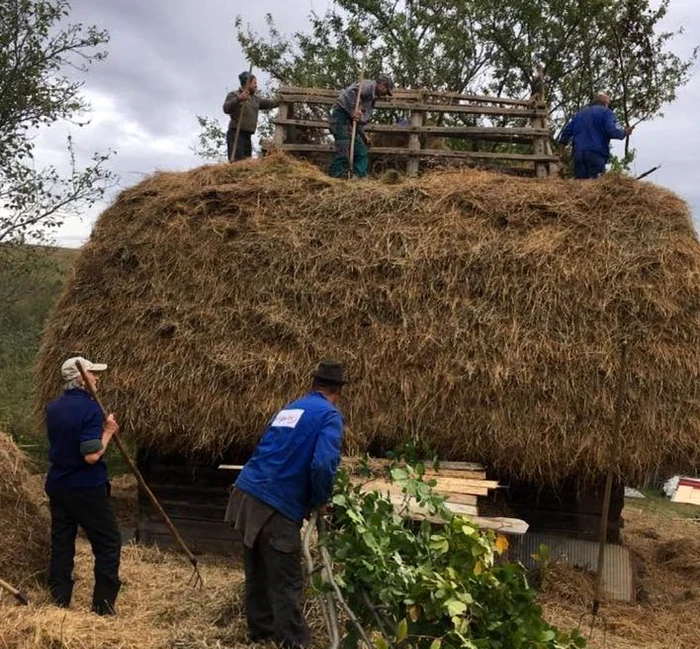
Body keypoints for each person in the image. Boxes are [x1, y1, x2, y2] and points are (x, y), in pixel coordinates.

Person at [225, 360, 346, 648]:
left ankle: (261, 632)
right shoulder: (330, 415)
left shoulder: (290, 409)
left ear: (314, 384)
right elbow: (324, 463)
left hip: (246, 493)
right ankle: (295, 642)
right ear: (337, 391)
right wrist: (320, 499)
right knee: (287, 579)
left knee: (258, 571)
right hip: (274, 504)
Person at [44, 356, 121, 615]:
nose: (97, 378)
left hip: (58, 484)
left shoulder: (53, 408)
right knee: (108, 542)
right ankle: (103, 607)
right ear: (80, 379)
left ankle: (59, 601)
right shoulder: (90, 409)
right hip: (86, 487)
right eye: (92, 374)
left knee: (63, 543)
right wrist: (108, 431)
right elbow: (91, 456)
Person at [329, 73, 395, 178]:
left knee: (361, 152)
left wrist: (364, 136)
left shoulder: (371, 97)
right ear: (382, 85)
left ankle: (357, 176)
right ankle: (336, 177)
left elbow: (357, 119)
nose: (385, 94)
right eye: (386, 91)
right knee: (343, 149)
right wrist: (353, 110)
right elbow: (351, 92)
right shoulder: (368, 86)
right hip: (340, 118)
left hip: (350, 123)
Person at [558, 92, 633, 179]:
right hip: (596, 153)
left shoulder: (580, 114)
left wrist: (561, 153)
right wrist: (624, 132)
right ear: (606, 104)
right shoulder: (607, 113)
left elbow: (566, 132)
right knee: (596, 186)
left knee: (580, 186)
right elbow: (612, 131)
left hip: (578, 154)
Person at [222, 71, 280, 162]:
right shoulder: (234, 95)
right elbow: (226, 108)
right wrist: (239, 99)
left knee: (247, 162)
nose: (256, 85)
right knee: (237, 163)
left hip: (247, 135)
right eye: (254, 83)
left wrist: (282, 98)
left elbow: (271, 103)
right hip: (236, 134)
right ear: (247, 83)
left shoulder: (255, 99)